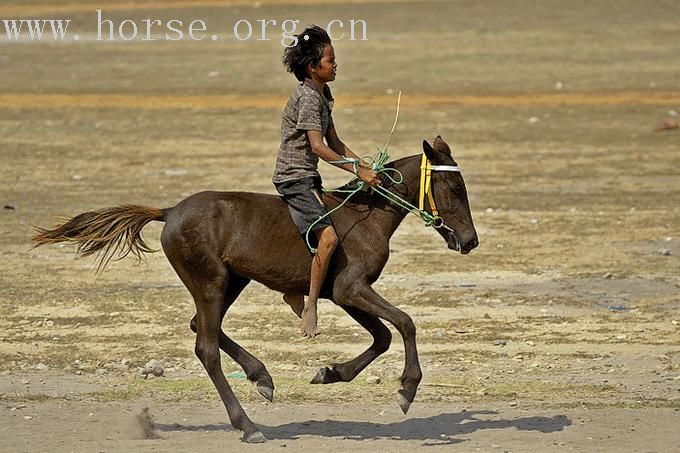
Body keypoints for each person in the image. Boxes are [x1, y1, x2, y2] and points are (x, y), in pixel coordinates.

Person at [273, 25, 380, 338]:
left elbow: (335, 140)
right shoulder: (307, 99)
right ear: (312, 67)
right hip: (295, 177)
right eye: (330, 60)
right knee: (330, 238)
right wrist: (356, 171)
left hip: (310, 176)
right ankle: (310, 304)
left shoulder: (322, 94)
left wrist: (364, 163)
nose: (335, 65)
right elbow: (319, 147)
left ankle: (291, 288)